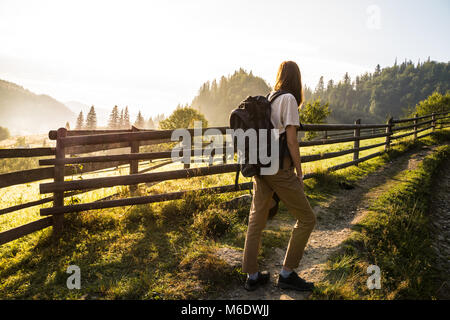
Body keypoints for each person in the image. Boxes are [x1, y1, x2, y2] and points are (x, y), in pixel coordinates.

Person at [242, 61, 316, 292]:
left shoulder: (270, 97)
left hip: (260, 167)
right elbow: (292, 141)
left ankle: (252, 276)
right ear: (297, 79)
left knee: (256, 220)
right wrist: (300, 171)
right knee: (307, 219)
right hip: (279, 169)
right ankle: (287, 273)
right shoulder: (289, 100)